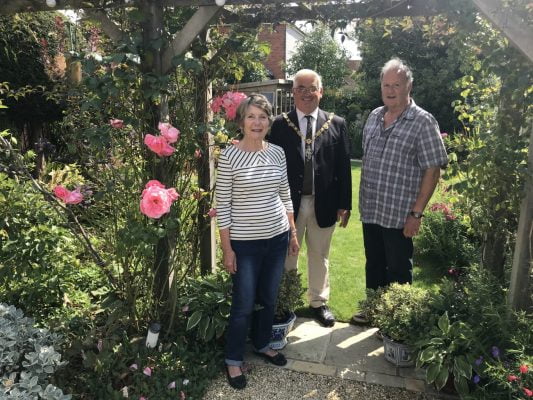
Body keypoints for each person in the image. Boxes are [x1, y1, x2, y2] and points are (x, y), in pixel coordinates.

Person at [352, 58, 448, 325]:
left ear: (409, 86)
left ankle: (395, 320)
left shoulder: (423, 121)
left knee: (397, 268)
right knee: (374, 263)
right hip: (371, 208)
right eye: (386, 85)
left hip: (400, 213)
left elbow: (433, 170)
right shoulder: (374, 116)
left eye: (397, 84)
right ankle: (373, 309)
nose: (390, 90)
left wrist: (416, 214)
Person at [215, 93, 300, 390]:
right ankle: (233, 359)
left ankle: (263, 343)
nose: (257, 122)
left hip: (276, 238)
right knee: (243, 304)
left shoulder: (277, 152)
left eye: (263, 116)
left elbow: (285, 193)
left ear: (269, 121)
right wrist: (227, 250)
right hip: (245, 245)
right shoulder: (229, 156)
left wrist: (292, 230)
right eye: (251, 116)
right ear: (241, 121)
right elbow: (222, 205)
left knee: (268, 297)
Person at [269, 69, 352, 328]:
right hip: (287, 204)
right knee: (287, 254)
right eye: (300, 88)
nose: (306, 93)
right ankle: (285, 301)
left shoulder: (336, 124)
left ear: (321, 91)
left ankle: (319, 302)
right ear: (293, 93)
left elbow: (343, 167)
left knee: (319, 254)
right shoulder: (280, 125)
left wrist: (344, 204)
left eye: (311, 88)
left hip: (323, 202)